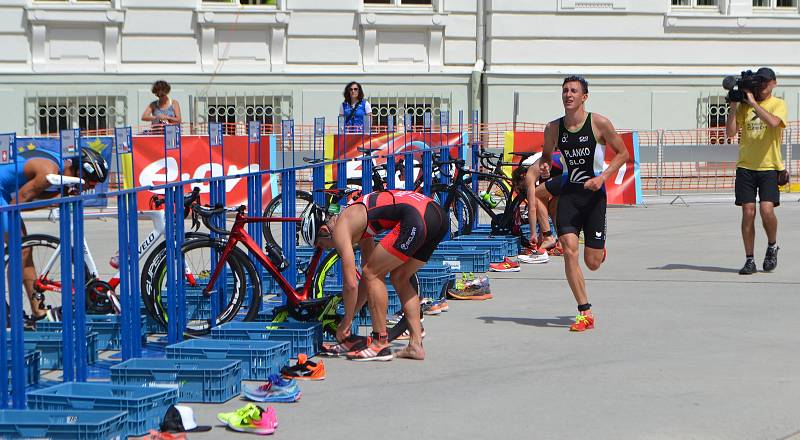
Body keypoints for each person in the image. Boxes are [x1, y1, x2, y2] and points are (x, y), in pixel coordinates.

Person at [301, 189, 448, 361]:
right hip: (436, 215)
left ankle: (380, 343)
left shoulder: (341, 229)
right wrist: (349, 317)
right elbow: (366, 281)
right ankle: (415, 345)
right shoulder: (358, 221)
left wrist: (346, 321)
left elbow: (351, 284)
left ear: (325, 230)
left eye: (321, 243)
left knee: (372, 272)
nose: (325, 248)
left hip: (416, 216)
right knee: (398, 277)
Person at [534, 75, 629, 332]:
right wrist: (544, 166)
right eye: (565, 90)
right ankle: (584, 311)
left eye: (574, 91)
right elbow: (546, 156)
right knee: (569, 250)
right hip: (570, 196)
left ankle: (599, 249)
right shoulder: (553, 128)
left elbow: (623, 154)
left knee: (593, 263)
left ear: (584, 97)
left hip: (594, 198)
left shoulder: (598, 123)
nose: (568, 95)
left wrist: (603, 178)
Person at [0, 148, 109, 319]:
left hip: (4, 193)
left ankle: (36, 312)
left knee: (24, 250)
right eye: (91, 183)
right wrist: (59, 198)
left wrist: (59, 195)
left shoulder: (58, 166)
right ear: (81, 172)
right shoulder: (48, 171)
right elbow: (17, 204)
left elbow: (35, 194)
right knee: (22, 248)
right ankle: (13, 315)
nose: (89, 188)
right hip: (5, 197)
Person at [724, 67, 787, 275]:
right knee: (748, 212)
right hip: (746, 166)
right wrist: (734, 106)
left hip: (769, 166)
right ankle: (749, 259)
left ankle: (771, 246)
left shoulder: (778, 104)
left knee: (766, 210)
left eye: (766, 82)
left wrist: (752, 103)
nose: (762, 86)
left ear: (774, 83)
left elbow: (774, 122)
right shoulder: (744, 105)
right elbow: (731, 133)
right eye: (760, 82)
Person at [512, 151, 564, 264]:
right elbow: (543, 210)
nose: (522, 189)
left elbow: (532, 208)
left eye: (520, 186)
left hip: (566, 171)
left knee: (536, 195)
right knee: (553, 206)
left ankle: (549, 237)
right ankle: (561, 242)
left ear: (522, 176)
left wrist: (533, 234)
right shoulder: (542, 176)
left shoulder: (530, 175)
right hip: (572, 171)